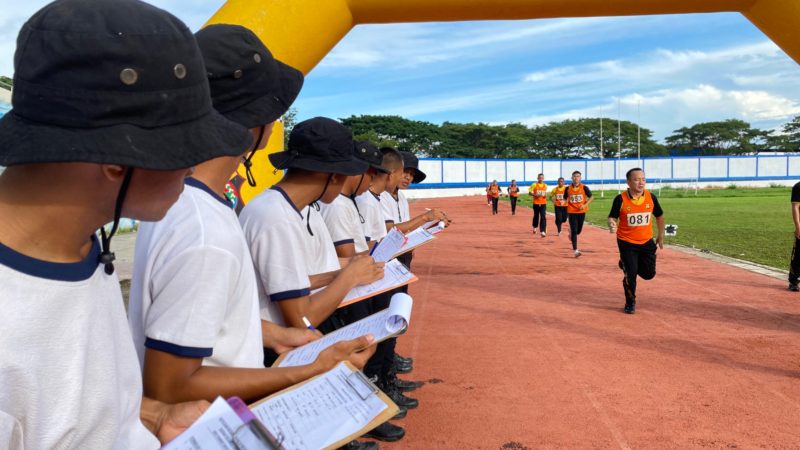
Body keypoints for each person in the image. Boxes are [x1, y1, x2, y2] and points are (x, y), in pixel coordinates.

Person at [0, 0, 254, 447]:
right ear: (119, 158)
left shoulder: (83, 243)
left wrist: (155, 417)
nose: (197, 162)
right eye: (185, 145)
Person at [128, 24, 376, 421]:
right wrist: (308, 372)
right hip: (207, 424)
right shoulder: (205, 228)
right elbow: (169, 386)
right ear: (255, 126)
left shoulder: (179, 201)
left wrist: (274, 333)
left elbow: (198, 320)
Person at [607, 168, 665, 314]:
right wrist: (612, 223)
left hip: (646, 242)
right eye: (636, 179)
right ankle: (630, 302)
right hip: (626, 242)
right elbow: (612, 217)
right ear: (628, 182)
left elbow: (659, 216)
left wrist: (660, 236)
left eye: (643, 179)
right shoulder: (620, 199)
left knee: (648, 274)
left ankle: (625, 264)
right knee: (631, 275)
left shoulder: (651, 198)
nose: (641, 182)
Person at [565, 171, 594, 257]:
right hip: (571, 212)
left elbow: (592, 197)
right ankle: (575, 250)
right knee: (574, 231)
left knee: (578, 231)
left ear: (580, 178)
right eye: (574, 176)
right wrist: (563, 202)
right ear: (572, 178)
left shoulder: (584, 187)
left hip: (581, 211)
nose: (576, 178)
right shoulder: (567, 189)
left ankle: (571, 233)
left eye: (578, 176)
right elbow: (564, 198)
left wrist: (585, 205)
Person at [789, 181, 800, 291]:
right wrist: (798, 226)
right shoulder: (798, 187)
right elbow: (795, 206)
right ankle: (794, 281)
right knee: (798, 254)